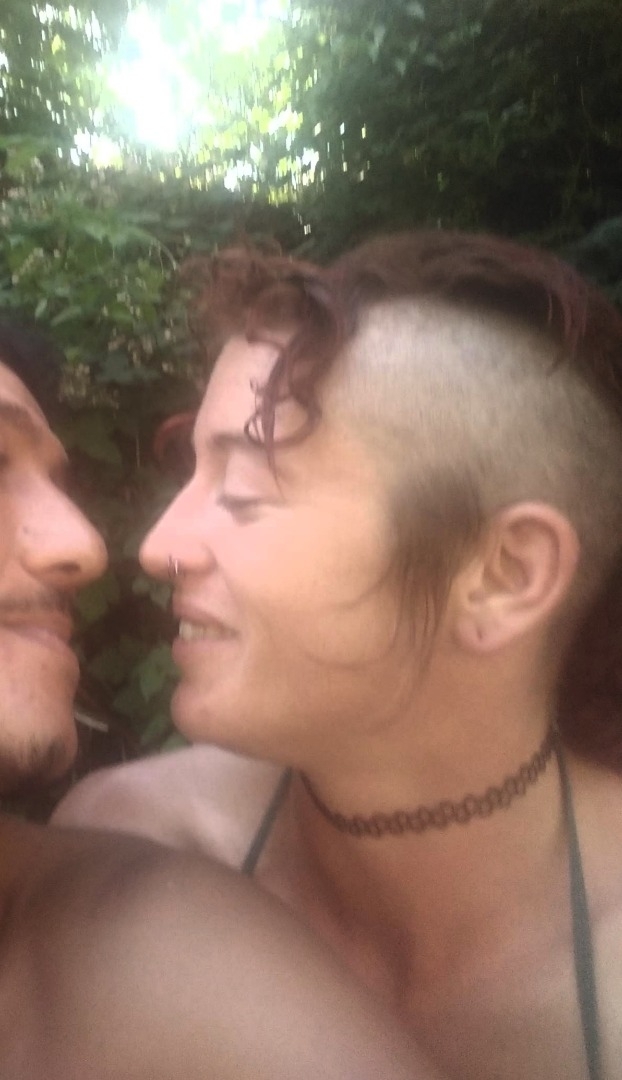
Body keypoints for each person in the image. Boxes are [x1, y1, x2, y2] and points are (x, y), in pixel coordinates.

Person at [54, 231, 622, 1080]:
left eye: (244, 492)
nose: (158, 547)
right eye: (190, 474)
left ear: (503, 577)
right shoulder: (132, 849)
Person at [0, 321, 437, 1080]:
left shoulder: (157, 954)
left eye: (244, 491)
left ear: (506, 576)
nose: (91, 547)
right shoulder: (131, 817)